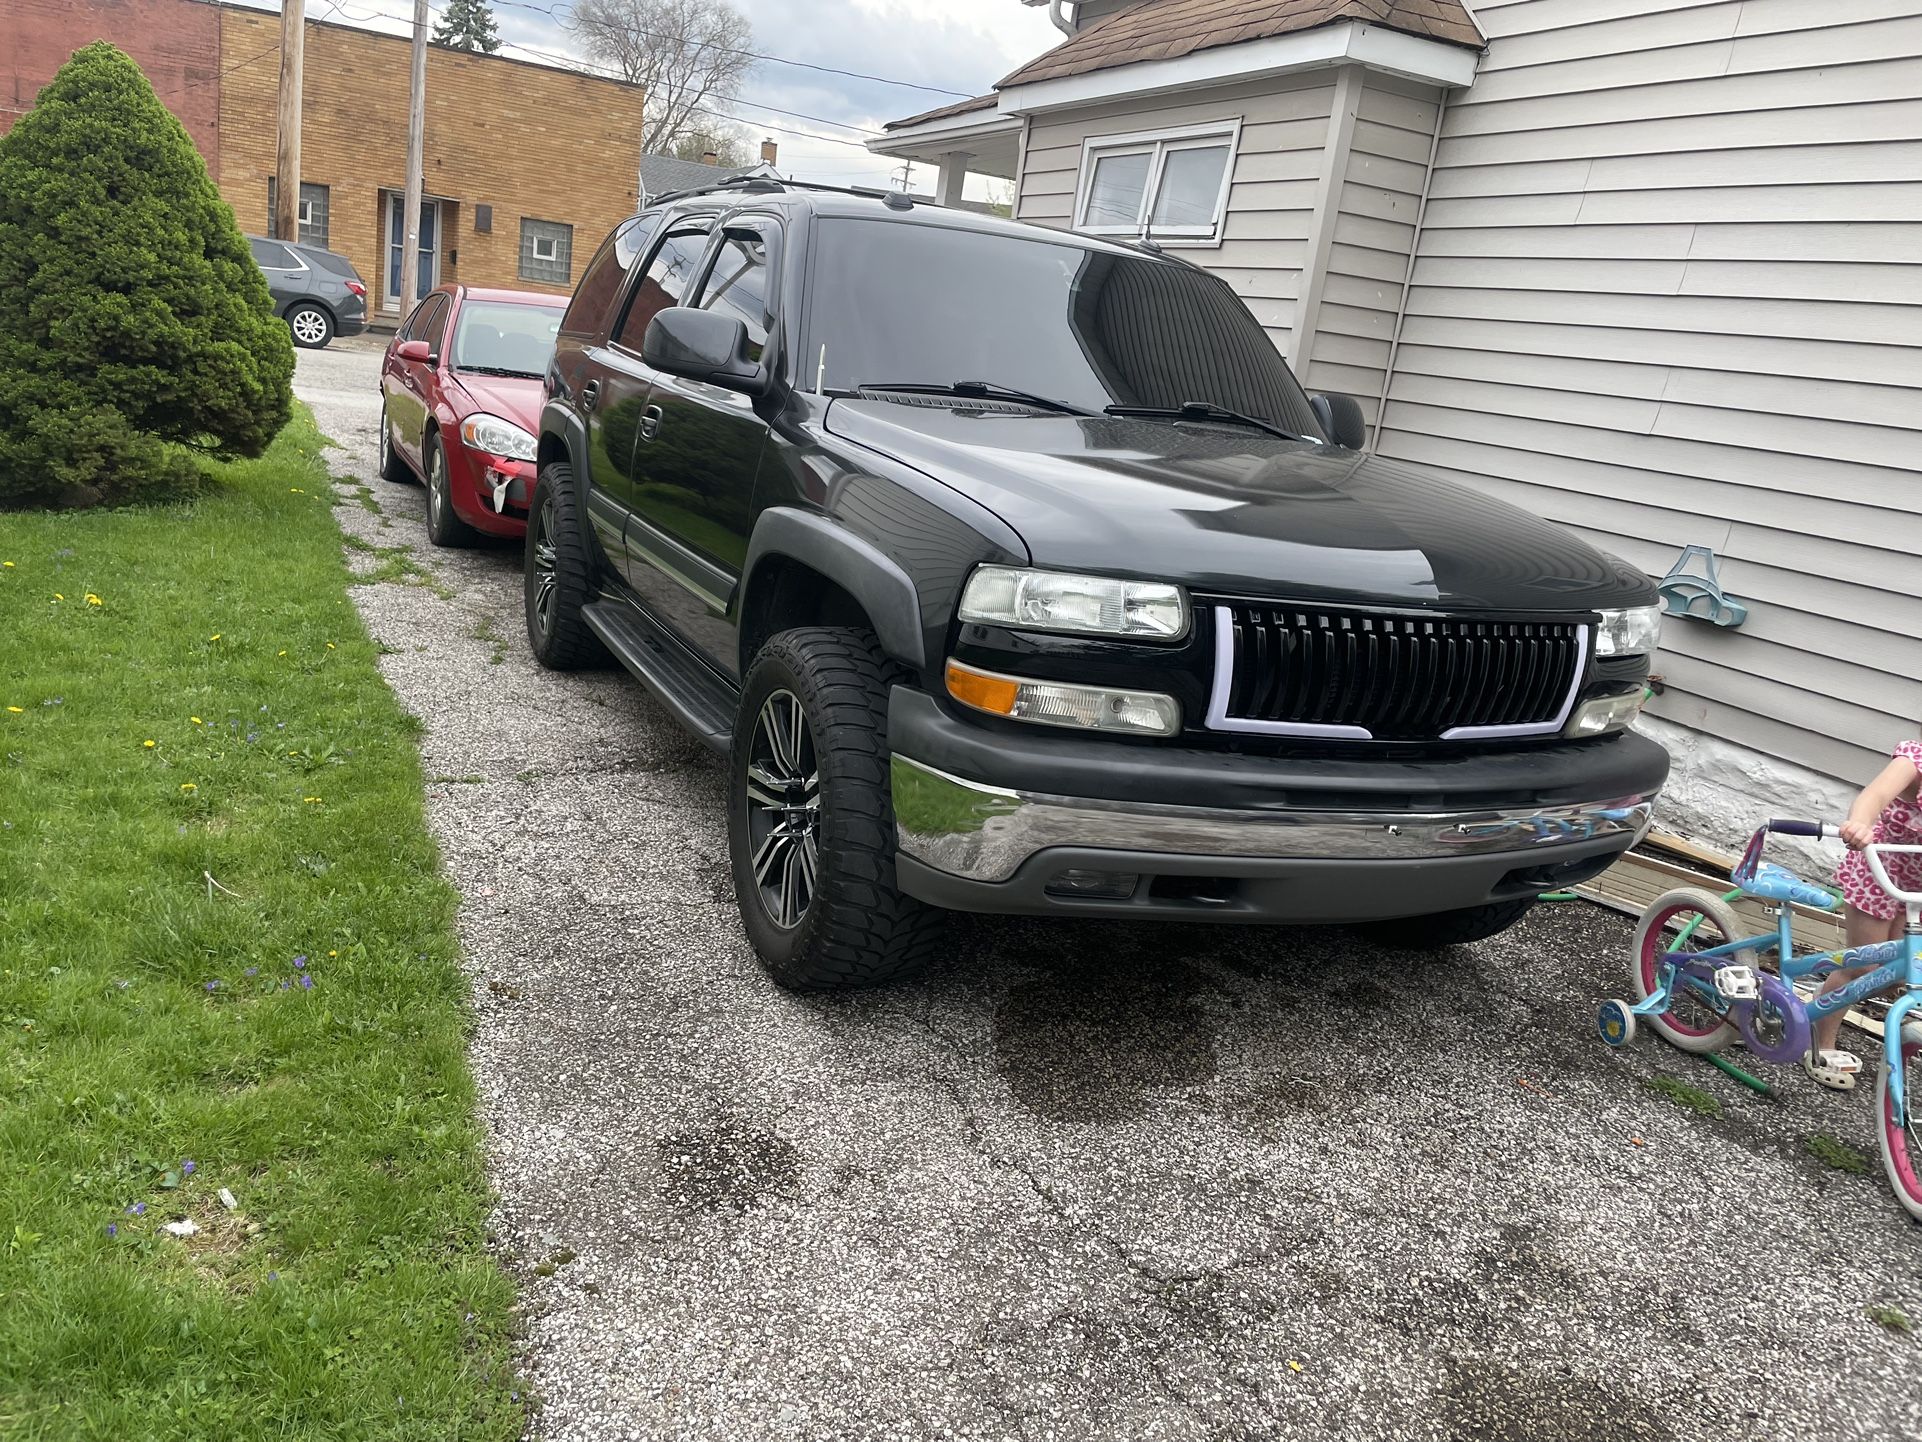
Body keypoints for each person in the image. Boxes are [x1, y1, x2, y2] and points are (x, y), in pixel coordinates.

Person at [1805, 735, 1922, 1090]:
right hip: (1880, 869)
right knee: (1862, 966)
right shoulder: (1915, 759)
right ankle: (1819, 1042)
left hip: (1916, 887)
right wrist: (1860, 823)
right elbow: (1875, 795)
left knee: (1902, 971)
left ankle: (1821, 1002)